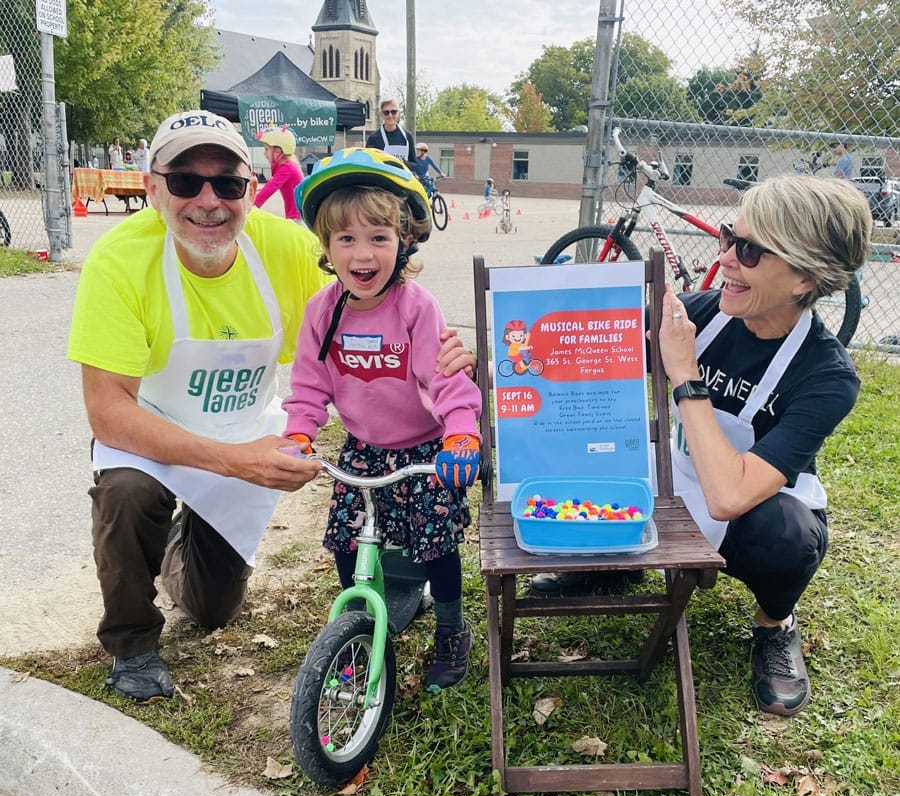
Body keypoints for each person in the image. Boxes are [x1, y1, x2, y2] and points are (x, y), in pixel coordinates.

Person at [67, 110, 473, 703]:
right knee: (128, 494)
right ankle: (132, 645)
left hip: (250, 434)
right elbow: (109, 413)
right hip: (152, 441)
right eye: (184, 181)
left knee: (213, 609)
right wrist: (244, 456)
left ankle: (446, 625)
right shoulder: (117, 261)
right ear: (153, 187)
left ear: (251, 191)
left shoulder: (288, 249)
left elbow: (392, 324)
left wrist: (462, 374)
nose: (208, 200)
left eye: (228, 183)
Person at [532, 175, 871, 718]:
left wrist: (685, 374)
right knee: (595, 448)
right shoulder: (698, 313)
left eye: (752, 250)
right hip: (669, 473)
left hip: (742, 503)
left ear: (807, 276)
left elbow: (729, 497)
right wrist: (499, 352)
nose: (728, 258)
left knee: (789, 538)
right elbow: (572, 347)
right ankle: (612, 564)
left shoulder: (826, 376)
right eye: (728, 236)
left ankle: (774, 624)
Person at [283, 147, 482, 692]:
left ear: (404, 241)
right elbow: (308, 385)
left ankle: (449, 627)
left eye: (379, 237)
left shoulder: (416, 307)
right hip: (364, 447)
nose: (362, 252)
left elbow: (446, 379)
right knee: (346, 537)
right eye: (346, 238)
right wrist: (299, 433)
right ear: (326, 247)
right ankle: (360, 625)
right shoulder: (323, 312)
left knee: (435, 540)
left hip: (425, 448)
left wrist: (461, 433)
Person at [253, 124, 304, 222]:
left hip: (296, 217)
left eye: (267, 149)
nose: (264, 153)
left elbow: (271, 187)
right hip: (295, 215)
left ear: (278, 151)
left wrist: (253, 204)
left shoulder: (287, 168)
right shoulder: (288, 165)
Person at [365, 98, 416, 167]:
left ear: (398, 113)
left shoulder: (407, 136)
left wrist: (402, 162)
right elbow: (367, 163)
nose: (390, 115)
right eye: (386, 112)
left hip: (402, 177)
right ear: (381, 115)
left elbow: (414, 165)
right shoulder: (373, 138)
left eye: (393, 112)